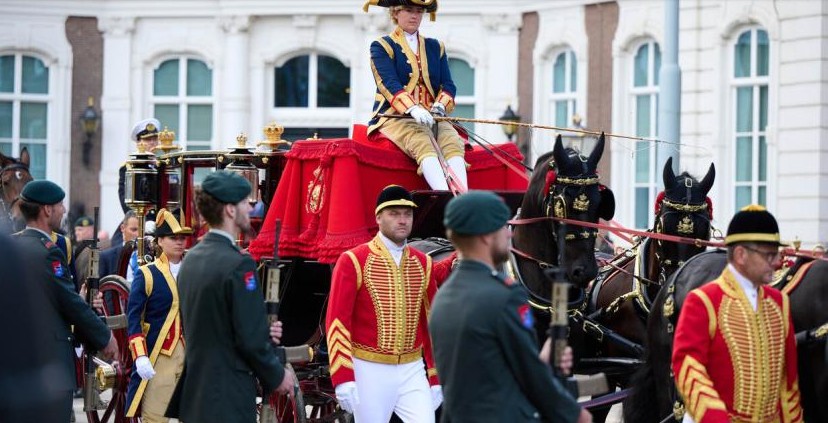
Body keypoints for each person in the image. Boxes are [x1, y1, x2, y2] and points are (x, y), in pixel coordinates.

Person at [429, 191, 591, 423]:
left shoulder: (444, 297)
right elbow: (531, 376)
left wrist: (543, 359)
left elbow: (486, 370)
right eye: (502, 227)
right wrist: (574, 413)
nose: (509, 233)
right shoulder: (503, 295)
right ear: (486, 236)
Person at [165, 171, 294, 423]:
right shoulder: (238, 264)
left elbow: (214, 325)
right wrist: (277, 375)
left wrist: (262, 330)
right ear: (230, 210)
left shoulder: (190, 260)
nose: (251, 208)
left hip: (195, 398)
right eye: (245, 202)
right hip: (228, 399)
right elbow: (249, 340)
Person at [672, 205, 803, 423]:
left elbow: (788, 384)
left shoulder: (780, 303)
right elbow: (689, 368)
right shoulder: (703, 301)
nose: (776, 262)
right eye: (769, 254)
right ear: (741, 254)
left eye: (777, 254)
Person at [325, 184, 441, 422]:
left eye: (407, 214)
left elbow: (433, 323)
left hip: (412, 368)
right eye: (394, 213)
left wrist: (436, 375)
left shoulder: (423, 263)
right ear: (378, 217)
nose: (402, 220)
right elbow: (337, 321)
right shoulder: (353, 260)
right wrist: (343, 375)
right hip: (368, 368)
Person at [11, 180, 119, 421]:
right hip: (49, 362)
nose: (64, 210)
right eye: (60, 205)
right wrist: (105, 336)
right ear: (47, 210)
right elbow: (68, 302)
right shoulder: (49, 251)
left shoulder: (13, 246)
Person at [364, 0, 468, 191]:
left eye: (419, 11)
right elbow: (388, 83)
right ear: (395, 13)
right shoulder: (382, 46)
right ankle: (444, 196)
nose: (414, 15)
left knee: (452, 141)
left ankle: (462, 197)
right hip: (396, 117)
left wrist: (440, 105)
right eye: (408, 10)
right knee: (421, 140)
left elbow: (448, 84)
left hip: (433, 116)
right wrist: (412, 108)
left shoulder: (435, 47)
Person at [124, 208, 191, 422]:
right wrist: (140, 356)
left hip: (190, 355)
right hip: (159, 355)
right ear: (160, 241)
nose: (179, 242)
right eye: (173, 238)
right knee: (155, 417)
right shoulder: (147, 274)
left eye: (182, 238)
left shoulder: (194, 271)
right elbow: (134, 318)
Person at [100, 210, 140, 280]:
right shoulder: (107, 257)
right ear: (122, 228)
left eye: (141, 230)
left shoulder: (151, 255)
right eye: (133, 230)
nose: (137, 234)